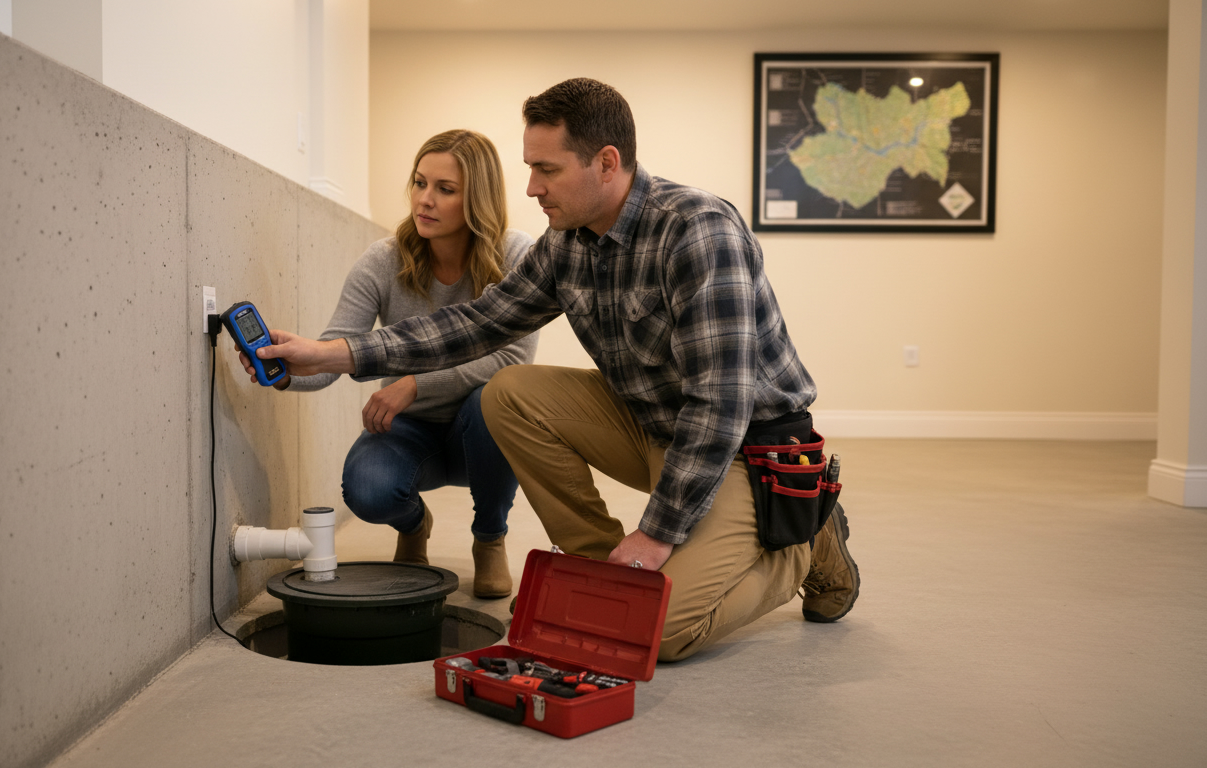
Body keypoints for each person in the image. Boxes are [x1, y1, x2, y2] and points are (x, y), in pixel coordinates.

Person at [240, 79, 860, 661]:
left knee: (662, 635)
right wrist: (335, 354)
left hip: (738, 447)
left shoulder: (697, 232)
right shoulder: (566, 243)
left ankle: (804, 543)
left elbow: (720, 406)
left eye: (547, 169)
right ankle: (602, 570)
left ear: (607, 164)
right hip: (647, 420)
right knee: (509, 393)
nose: (532, 188)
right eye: (530, 167)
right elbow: (478, 325)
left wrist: (657, 534)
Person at [283, 129, 537, 599]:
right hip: (408, 429)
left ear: (477, 199)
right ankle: (415, 526)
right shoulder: (383, 260)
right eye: (420, 183)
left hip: (479, 430)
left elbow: (513, 356)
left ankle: (489, 538)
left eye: (444, 189)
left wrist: (415, 384)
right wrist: (282, 369)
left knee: (497, 399)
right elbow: (335, 351)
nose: (424, 200)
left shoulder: (515, 254)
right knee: (367, 490)